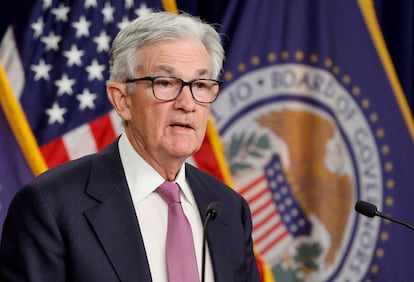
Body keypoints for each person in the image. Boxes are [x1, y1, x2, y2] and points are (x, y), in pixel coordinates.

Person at [0, 11, 260, 282]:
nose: (188, 103)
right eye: (165, 83)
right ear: (122, 100)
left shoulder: (229, 208)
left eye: (201, 84)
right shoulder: (51, 207)